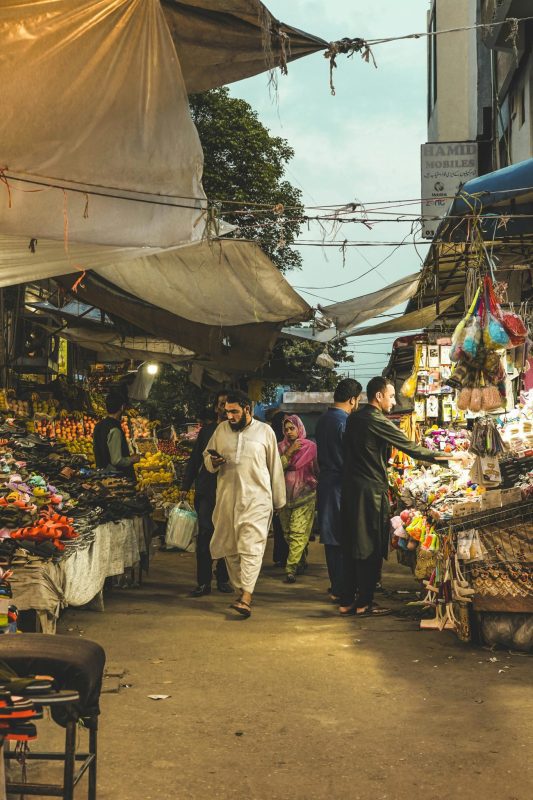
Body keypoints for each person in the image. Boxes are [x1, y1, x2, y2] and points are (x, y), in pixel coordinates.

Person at [340, 377, 467, 618]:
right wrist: (451, 457)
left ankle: (347, 600)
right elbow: (412, 448)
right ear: (379, 396)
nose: (394, 401)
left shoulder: (354, 418)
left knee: (351, 544)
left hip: (351, 490)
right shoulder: (376, 420)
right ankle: (364, 602)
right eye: (391, 396)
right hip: (370, 493)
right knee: (371, 546)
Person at [204, 390, 286, 618]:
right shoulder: (220, 431)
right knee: (231, 548)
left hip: (257, 500)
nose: (229, 416)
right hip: (228, 499)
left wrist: (279, 500)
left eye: (234, 411)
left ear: (247, 409)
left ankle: (246, 596)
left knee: (251, 548)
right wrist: (213, 461)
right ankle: (242, 589)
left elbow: (275, 467)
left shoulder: (265, 432)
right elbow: (206, 459)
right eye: (227, 411)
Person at [181, 390, 232, 597]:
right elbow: (195, 460)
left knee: (227, 534)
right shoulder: (207, 431)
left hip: (228, 492)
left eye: (228, 405)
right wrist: (185, 485)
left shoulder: (237, 432)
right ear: (216, 408)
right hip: (207, 490)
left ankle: (223, 578)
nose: (224, 408)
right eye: (221, 405)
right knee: (205, 534)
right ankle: (203, 582)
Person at [315, 378, 362, 601]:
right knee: (343, 537)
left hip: (326, 483)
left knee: (331, 537)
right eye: (358, 400)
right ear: (352, 400)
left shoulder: (323, 420)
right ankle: (343, 589)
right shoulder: (345, 422)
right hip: (341, 485)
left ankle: (337, 585)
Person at [278, 415, 319, 584]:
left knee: (298, 532)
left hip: (306, 495)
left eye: (292, 428)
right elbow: (275, 469)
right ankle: (300, 560)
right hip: (283, 497)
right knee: (288, 533)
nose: (289, 432)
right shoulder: (280, 448)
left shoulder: (311, 447)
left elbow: (317, 469)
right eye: (286, 429)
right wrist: (289, 452)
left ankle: (291, 569)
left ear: (299, 428)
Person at [92, 391, 140, 479]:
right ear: (122, 407)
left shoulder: (98, 425)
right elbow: (117, 460)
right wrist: (132, 459)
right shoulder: (115, 430)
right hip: (116, 479)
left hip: (102, 475)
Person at [266, 407, 289, 568]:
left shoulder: (272, 437)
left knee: (280, 525)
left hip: (274, 487)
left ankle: (280, 556)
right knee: (286, 525)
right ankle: (287, 557)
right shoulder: (281, 443)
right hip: (283, 487)